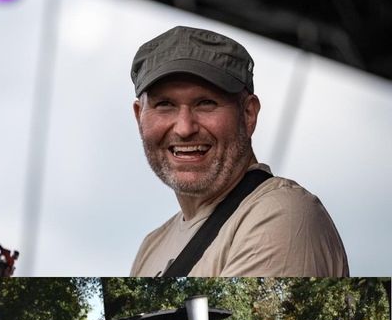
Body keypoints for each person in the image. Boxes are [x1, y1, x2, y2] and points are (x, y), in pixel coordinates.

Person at [129, 25, 350, 277]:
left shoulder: (280, 214)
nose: (184, 128)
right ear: (139, 117)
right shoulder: (150, 247)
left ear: (248, 114)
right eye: (164, 104)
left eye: (206, 103)